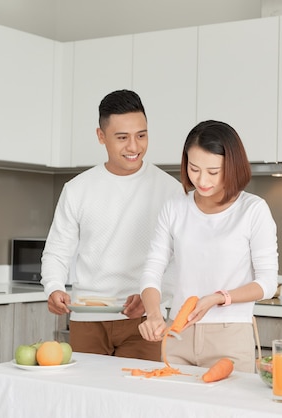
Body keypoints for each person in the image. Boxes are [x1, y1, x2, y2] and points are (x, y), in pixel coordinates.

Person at [40, 89, 183, 361]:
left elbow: (179, 258)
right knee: (86, 399)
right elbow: (58, 250)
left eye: (141, 135)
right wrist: (54, 287)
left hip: (143, 321)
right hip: (87, 319)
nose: (134, 147)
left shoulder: (170, 191)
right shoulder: (77, 189)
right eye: (122, 138)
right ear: (101, 136)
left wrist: (155, 296)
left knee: (138, 398)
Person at [138, 120, 279, 372]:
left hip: (230, 337)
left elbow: (267, 283)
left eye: (214, 172)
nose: (202, 180)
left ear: (233, 166)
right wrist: (153, 314)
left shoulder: (253, 210)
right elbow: (152, 270)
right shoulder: (175, 207)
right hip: (177, 336)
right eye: (194, 168)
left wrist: (219, 298)